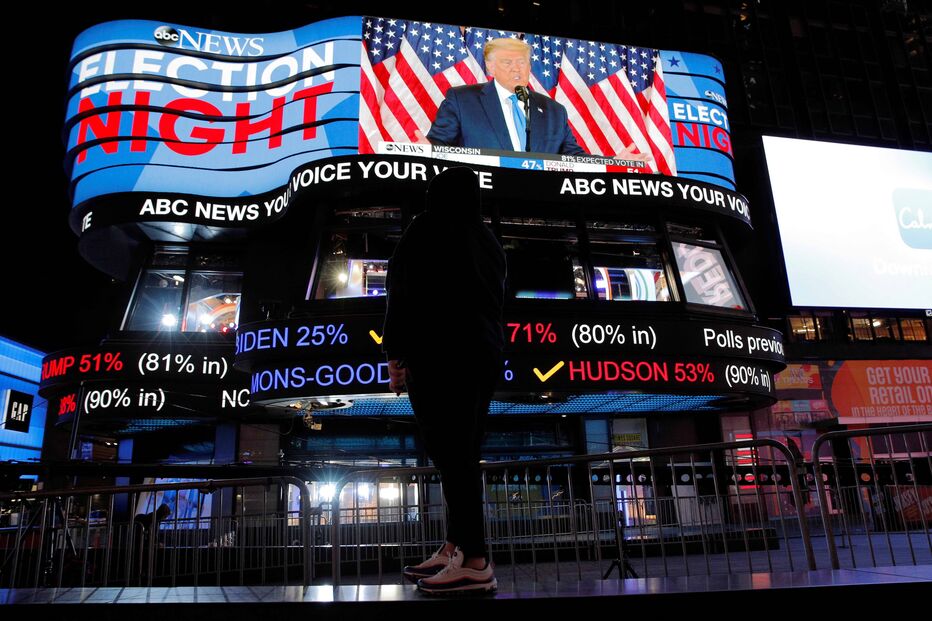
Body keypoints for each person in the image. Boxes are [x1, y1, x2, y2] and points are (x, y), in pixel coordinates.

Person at [382, 167, 506, 594]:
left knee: (450, 456)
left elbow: (401, 290)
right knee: (463, 454)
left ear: (435, 195)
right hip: (483, 355)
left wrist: (395, 354)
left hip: (438, 355)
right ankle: (456, 549)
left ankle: (473, 561)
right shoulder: (488, 239)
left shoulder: (426, 227)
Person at [425, 38, 585, 155]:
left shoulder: (554, 111)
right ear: (491, 67)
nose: (516, 69)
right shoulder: (462, 100)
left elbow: (574, 156)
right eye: (507, 62)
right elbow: (440, 144)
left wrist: (609, 164)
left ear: (529, 66)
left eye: (522, 62)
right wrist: (425, 150)